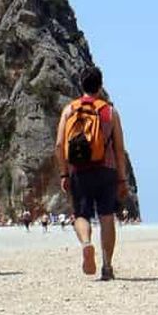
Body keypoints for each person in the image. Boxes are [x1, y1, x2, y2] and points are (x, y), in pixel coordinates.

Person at [56, 66, 129, 281]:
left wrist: (64, 174)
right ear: (100, 84)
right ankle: (107, 266)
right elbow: (119, 149)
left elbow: (60, 144)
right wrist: (122, 179)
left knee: (81, 215)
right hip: (106, 170)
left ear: (81, 84)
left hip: (79, 171)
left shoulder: (70, 110)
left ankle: (86, 243)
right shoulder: (109, 112)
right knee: (107, 216)